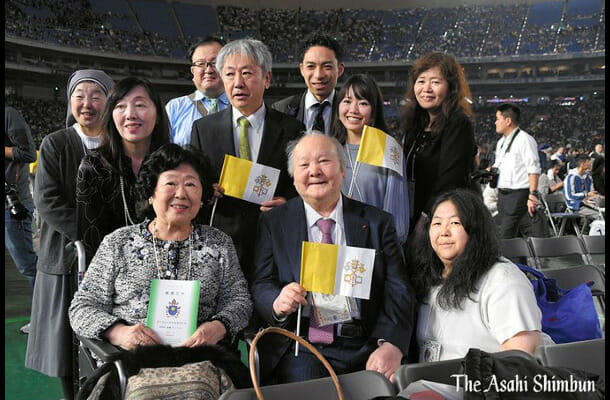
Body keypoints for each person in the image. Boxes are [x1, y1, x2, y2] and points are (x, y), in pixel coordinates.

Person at [69, 144, 252, 396]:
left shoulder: (218, 243)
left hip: (203, 358)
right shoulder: (118, 242)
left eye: (191, 184)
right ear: (151, 193)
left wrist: (218, 326)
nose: (181, 193)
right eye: (170, 184)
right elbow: (82, 307)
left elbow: (239, 300)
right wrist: (119, 332)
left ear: (202, 196)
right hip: (132, 361)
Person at [251, 132, 415, 384]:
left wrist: (391, 344)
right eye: (304, 165)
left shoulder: (377, 222)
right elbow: (262, 283)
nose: (314, 171)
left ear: (342, 171)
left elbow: (398, 289)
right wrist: (277, 301)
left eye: (324, 162)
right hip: (303, 346)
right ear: (294, 178)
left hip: (366, 342)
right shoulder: (275, 222)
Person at [25, 69, 115, 400]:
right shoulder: (56, 143)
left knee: (105, 339)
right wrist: (92, 239)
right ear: (70, 101)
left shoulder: (116, 142)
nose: (87, 104)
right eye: (80, 96)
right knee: (66, 345)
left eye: (96, 96)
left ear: (108, 101)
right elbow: (47, 200)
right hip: (65, 260)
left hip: (109, 262)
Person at [190, 38, 304, 281]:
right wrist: (206, 191)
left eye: (247, 73)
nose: (238, 83)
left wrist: (288, 203)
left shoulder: (292, 129)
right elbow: (194, 182)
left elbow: (303, 187)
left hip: (275, 244)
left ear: (267, 79)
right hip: (220, 248)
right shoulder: (203, 128)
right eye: (230, 74)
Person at [409, 189, 543, 362]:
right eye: (437, 224)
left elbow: (521, 361)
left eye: (455, 223)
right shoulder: (429, 276)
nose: (444, 232)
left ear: (476, 229)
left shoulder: (503, 280)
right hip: (430, 383)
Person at [76, 77, 170, 265]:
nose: (130, 114)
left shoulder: (174, 165)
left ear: (158, 115)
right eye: (120, 107)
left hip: (169, 277)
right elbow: (90, 240)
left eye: (140, 105)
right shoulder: (93, 167)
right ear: (110, 115)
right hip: (114, 278)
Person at [401, 52, 477, 235]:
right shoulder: (415, 124)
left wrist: (426, 218)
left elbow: (450, 181)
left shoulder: (459, 123)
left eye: (435, 82)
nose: (426, 88)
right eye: (421, 81)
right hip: (413, 213)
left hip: (442, 220)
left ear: (450, 88)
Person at [330, 74, 409, 244]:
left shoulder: (389, 150)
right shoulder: (329, 150)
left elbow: (397, 221)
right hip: (333, 247)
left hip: (375, 249)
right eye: (347, 101)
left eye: (363, 103)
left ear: (374, 109)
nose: (353, 109)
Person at [271, 33, 345, 134]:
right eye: (310, 66)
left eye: (327, 67)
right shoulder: (280, 109)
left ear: (339, 70)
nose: (318, 75)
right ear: (302, 70)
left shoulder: (350, 111)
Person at [492, 103, 543, 239]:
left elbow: (533, 168)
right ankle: (520, 260)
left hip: (518, 195)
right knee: (514, 237)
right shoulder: (501, 142)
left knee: (506, 237)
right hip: (503, 195)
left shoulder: (525, 140)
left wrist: (532, 195)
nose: (495, 122)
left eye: (498, 119)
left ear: (508, 121)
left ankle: (511, 259)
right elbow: (499, 165)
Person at [165, 37, 229, 146]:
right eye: (200, 64)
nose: (208, 70)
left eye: (215, 62)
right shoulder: (174, 108)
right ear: (193, 71)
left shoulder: (243, 107)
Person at [5, 105, 37, 289]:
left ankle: (46, 314)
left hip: (11, 205)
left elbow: (28, 153)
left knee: (28, 266)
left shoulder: (9, 115)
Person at [563, 154, 603, 227]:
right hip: (576, 205)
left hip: (588, 203)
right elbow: (569, 196)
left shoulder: (588, 177)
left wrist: (597, 196)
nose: (591, 164)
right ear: (582, 164)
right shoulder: (571, 177)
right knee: (600, 216)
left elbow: (591, 193)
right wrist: (586, 195)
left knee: (602, 211)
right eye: (589, 162)